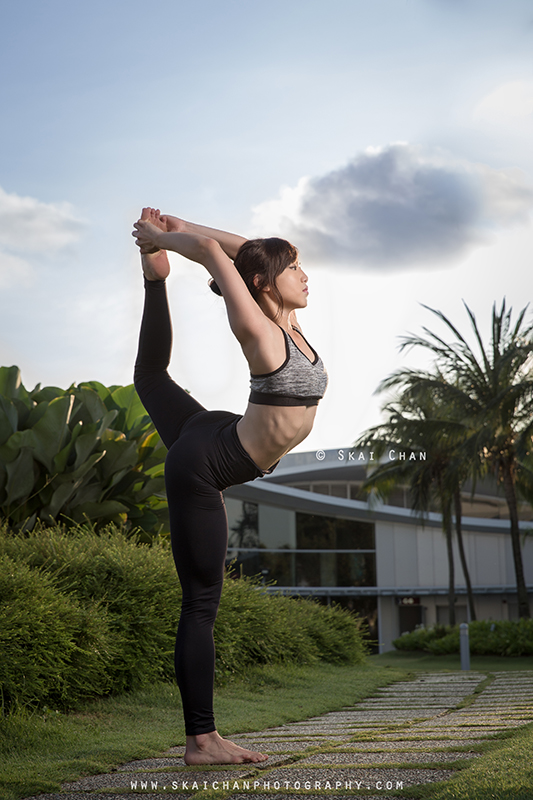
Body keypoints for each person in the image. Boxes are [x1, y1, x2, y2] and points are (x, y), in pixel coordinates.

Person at [132, 208, 328, 765]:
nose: (306, 275)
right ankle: (201, 741)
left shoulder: (289, 323)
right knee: (201, 603)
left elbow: (242, 248)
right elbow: (221, 258)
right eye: (295, 267)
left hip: (214, 430)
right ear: (266, 285)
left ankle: (154, 281)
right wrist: (163, 237)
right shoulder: (261, 332)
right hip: (205, 465)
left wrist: (177, 224)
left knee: (150, 379)